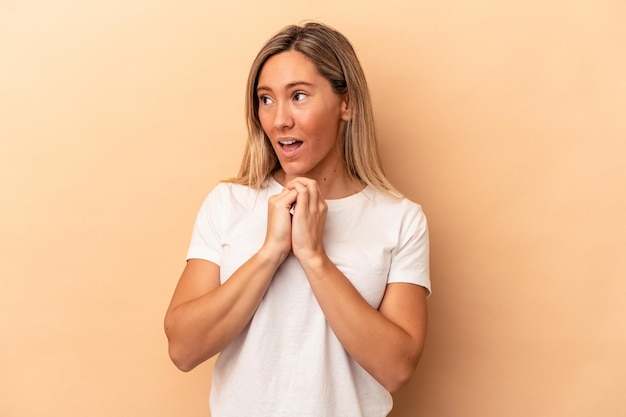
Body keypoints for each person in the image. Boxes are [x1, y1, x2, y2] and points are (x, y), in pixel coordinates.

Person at [164, 21, 430, 417]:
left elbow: (397, 368)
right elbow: (183, 349)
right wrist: (270, 253)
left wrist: (313, 257)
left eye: (299, 96)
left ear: (347, 103)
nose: (279, 120)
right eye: (266, 99)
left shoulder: (401, 220)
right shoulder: (228, 203)